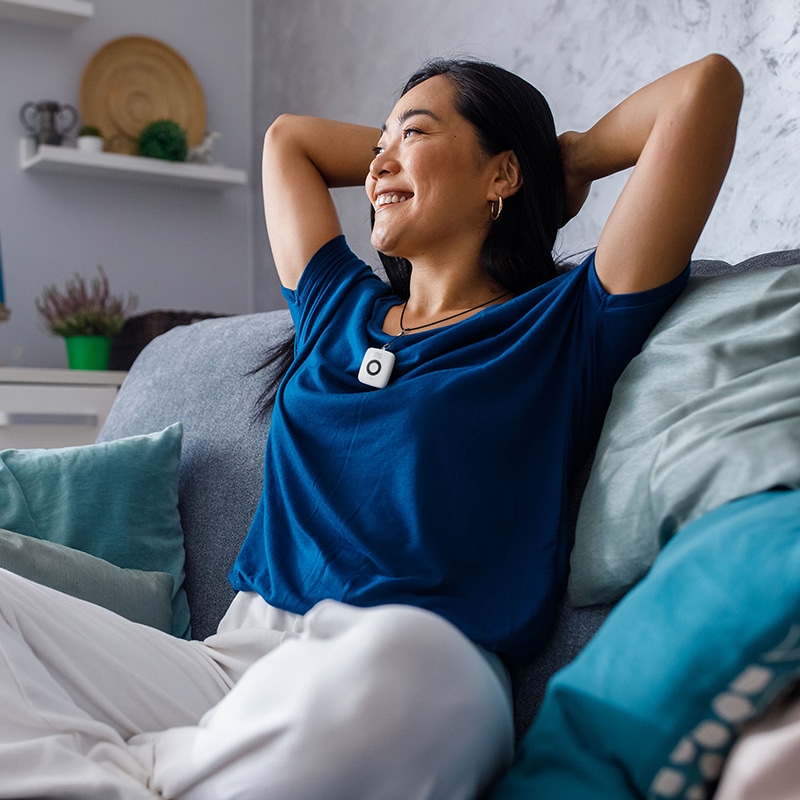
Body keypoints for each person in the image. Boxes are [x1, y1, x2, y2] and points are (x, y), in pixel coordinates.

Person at [0, 54, 742, 799]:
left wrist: (560, 159)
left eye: (412, 132)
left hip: (410, 663)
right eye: (377, 142)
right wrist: (406, 153)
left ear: (501, 176)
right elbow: (288, 141)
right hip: (232, 663)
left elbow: (704, 89)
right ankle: (149, 771)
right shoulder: (336, 311)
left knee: (411, 667)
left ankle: (132, 768)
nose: (379, 159)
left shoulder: (565, 323)